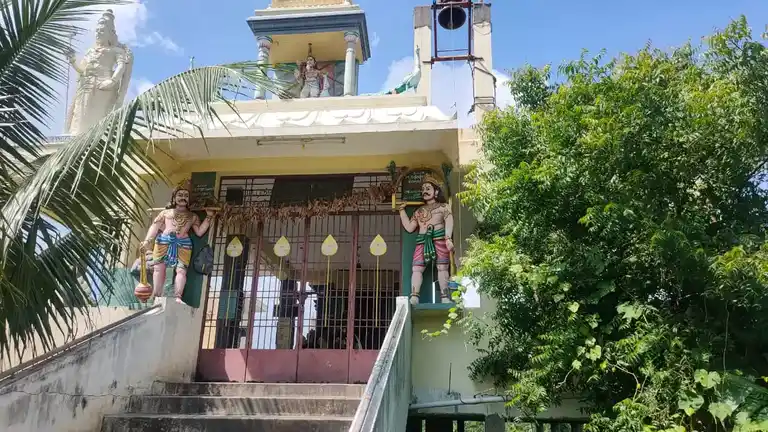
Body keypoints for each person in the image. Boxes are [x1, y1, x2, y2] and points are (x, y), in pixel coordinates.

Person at [140, 181, 215, 304]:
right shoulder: (165, 213)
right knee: (159, 269)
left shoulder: (193, 216)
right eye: (180, 195)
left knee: (181, 270)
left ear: (189, 200)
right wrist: (148, 240)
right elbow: (155, 226)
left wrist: (209, 217)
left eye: (186, 196)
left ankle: (178, 296)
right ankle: (156, 294)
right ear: (174, 198)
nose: (183, 198)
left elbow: (200, 232)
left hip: (183, 243)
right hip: (163, 241)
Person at [398, 175, 454, 305]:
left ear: (436, 191)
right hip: (422, 240)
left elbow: (449, 222)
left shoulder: (443, 207)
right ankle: (414, 296)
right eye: (423, 189)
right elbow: (410, 227)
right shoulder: (419, 211)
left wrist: (448, 238)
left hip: (439, 238)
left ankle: (445, 297)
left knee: (442, 267)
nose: (425, 191)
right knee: (417, 268)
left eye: (428, 188)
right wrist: (401, 211)